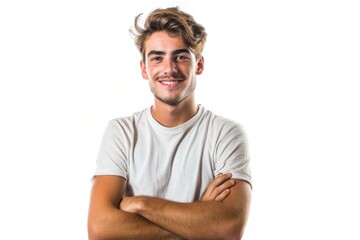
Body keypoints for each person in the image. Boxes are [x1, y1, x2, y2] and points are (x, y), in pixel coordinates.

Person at [88, 6, 252, 240]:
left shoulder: (225, 134)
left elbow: (229, 227)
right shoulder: (122, 132)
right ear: (144, 69)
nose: (169, 69)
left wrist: (140, 204)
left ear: (200, 65)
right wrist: (199, 223)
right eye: (157, 58)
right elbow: (100, 229)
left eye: (181, 57)